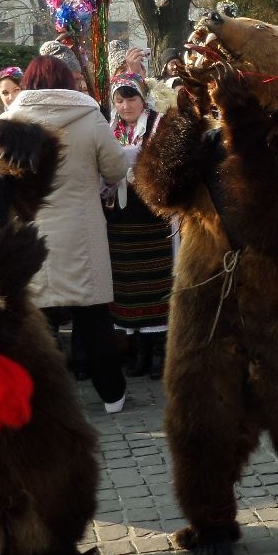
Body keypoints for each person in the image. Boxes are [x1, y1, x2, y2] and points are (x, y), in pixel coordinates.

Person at [3, 56, 129, 412]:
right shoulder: (89, 116)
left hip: (31, 233)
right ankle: (112, 395)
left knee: (37, 323)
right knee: (93, 317)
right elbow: (116, 166)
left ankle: (43, 399)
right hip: (82, 230)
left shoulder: (10, 120)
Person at [104, 76, 174, 378]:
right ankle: (140, 352)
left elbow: (165, 164)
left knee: (156, 282)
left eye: (131, 99)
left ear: (143, 98)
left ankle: (158, 350)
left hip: (151, 216)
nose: (125, 106)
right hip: (121, 219)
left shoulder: (159, 125)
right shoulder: (111, 128)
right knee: (129, 286)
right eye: (120, 100)